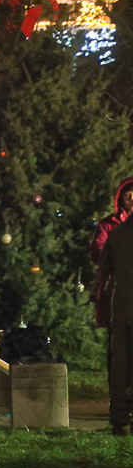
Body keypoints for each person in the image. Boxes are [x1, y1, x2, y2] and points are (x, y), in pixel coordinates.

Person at [97, 214, 133, 436]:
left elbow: (104, 269)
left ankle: (119, 417)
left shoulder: (117, 234)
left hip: (122, 307)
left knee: (121, 363)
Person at [91, 178, 133, 328]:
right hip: (115, 289)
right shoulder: (108, 224)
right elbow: (97, 252)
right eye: (127, 195)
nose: (131, 199)